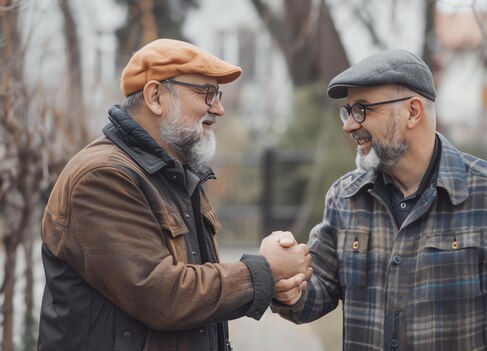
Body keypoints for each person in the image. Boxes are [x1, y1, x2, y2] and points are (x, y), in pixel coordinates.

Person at [271, 49, 487, 350]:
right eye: (348, 111)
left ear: (413, 112)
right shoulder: (345, 198)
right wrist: (287, 288)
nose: (349, 125)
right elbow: (316, 292)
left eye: (362, 110)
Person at [38, 38, 312, 351]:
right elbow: (163, 296)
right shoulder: (102, 176)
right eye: (207, 93)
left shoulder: (175, 175)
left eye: (218, 94)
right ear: (155, 96)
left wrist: (272, 284)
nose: (219, 108)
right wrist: (266, 270)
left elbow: (196, 294)